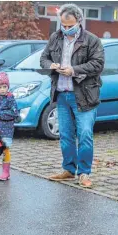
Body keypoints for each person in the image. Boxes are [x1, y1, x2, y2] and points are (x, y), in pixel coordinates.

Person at [40, 3, 104, 188]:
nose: (66, 29)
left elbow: (97, 64)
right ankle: (69, 169)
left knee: (84, 134)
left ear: (79, 21)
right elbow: (43, 58)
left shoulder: (91, 40)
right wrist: (50, 65)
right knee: (66, 135)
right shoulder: (55, 37)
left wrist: (74, 70)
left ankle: (84, 173)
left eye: (70, 25)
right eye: (63, 25)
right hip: (61, 95)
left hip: (84, 96)